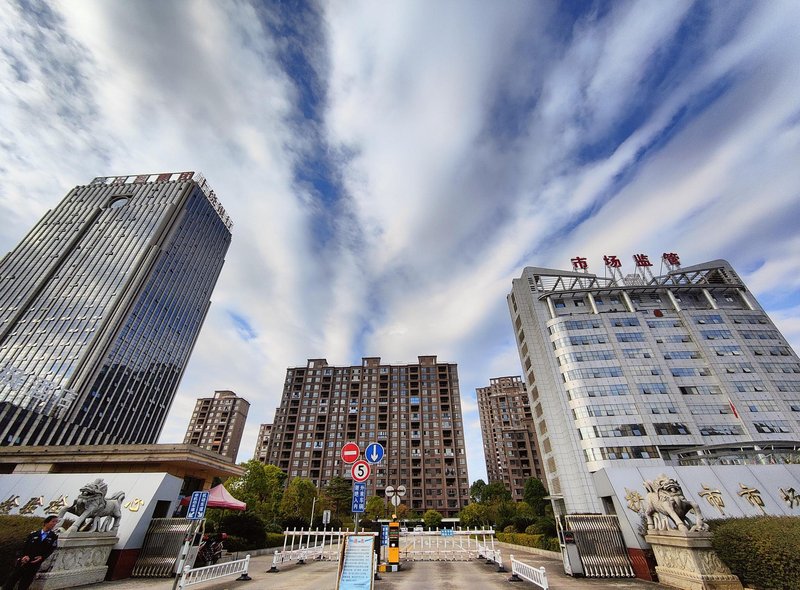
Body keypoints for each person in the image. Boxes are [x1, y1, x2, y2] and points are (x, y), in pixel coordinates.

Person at [3, 515, 59, 590]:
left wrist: (42, 557)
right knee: (11, 580)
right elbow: (24, 547)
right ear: (46, 523)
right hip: (24, 561)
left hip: (34, 563)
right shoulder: (33, 534)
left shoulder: (53, 537)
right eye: (53, 521)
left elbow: (51, 550)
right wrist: (23, 556)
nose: (54, 524)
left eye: (56, 522)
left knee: (25, 583)